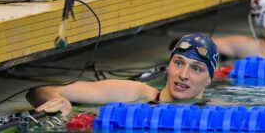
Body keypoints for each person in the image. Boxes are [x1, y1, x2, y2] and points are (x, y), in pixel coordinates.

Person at [26, 34, 219, 117]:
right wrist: (58, 100)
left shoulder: (218, 112)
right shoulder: (134, 93)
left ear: (209, 78)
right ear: (168, 66)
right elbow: (38, 92)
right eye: (178, 63)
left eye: (197, 68)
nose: (183, 74)